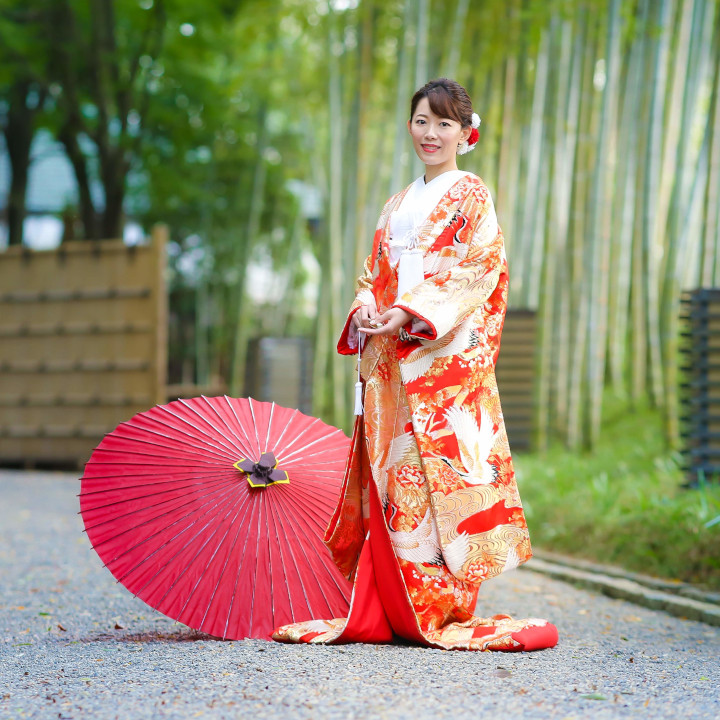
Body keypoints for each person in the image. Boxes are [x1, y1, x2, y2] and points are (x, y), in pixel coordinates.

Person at [273, 78, 558, 651]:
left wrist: (408, 313)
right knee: (389, 473)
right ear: (410, 125)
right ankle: (384, 605)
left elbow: (478, 269)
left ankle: (430, 606)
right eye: (422, 121)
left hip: (436, 358)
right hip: (389, 358)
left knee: (431, 477)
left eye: (444, 123)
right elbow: (370, 273)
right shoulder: (397, 203)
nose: (431, 133)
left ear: (465, 133)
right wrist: (367, 309)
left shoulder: (471, 194)